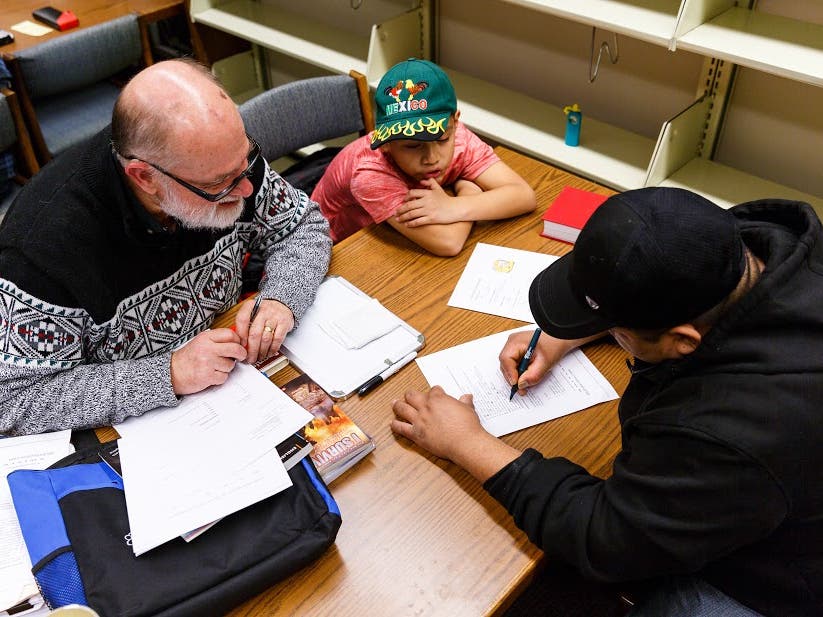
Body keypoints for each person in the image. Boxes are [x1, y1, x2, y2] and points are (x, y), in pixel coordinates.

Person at [391, 187, 823, 616]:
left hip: (784, 577)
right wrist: (572, 330)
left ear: (682, 340)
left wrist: (466, 442)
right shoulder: (745, 247)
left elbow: (605, 539)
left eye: (618, 332)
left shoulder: (734, 427)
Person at [0, 59, 332, 436]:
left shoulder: (222, 160)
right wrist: (168, 373)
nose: (247, 189)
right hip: (144, 434)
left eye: (246, 161)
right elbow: (14, 401)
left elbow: (302, 225)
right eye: (221, 185)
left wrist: (282, 299)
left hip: (234, 384)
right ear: (145, 177)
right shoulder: (43, 246)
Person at [311, 58, 536, 256]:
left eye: (442, 140)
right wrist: (469, 188)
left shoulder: (456, 136)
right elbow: (449, 242)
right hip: (339, 255)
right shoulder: (369, 172)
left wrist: (454, 207)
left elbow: (523, 195)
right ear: (386, 142)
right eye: (413, 146)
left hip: (389, 238)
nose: (432, 158)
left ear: (455, 122)